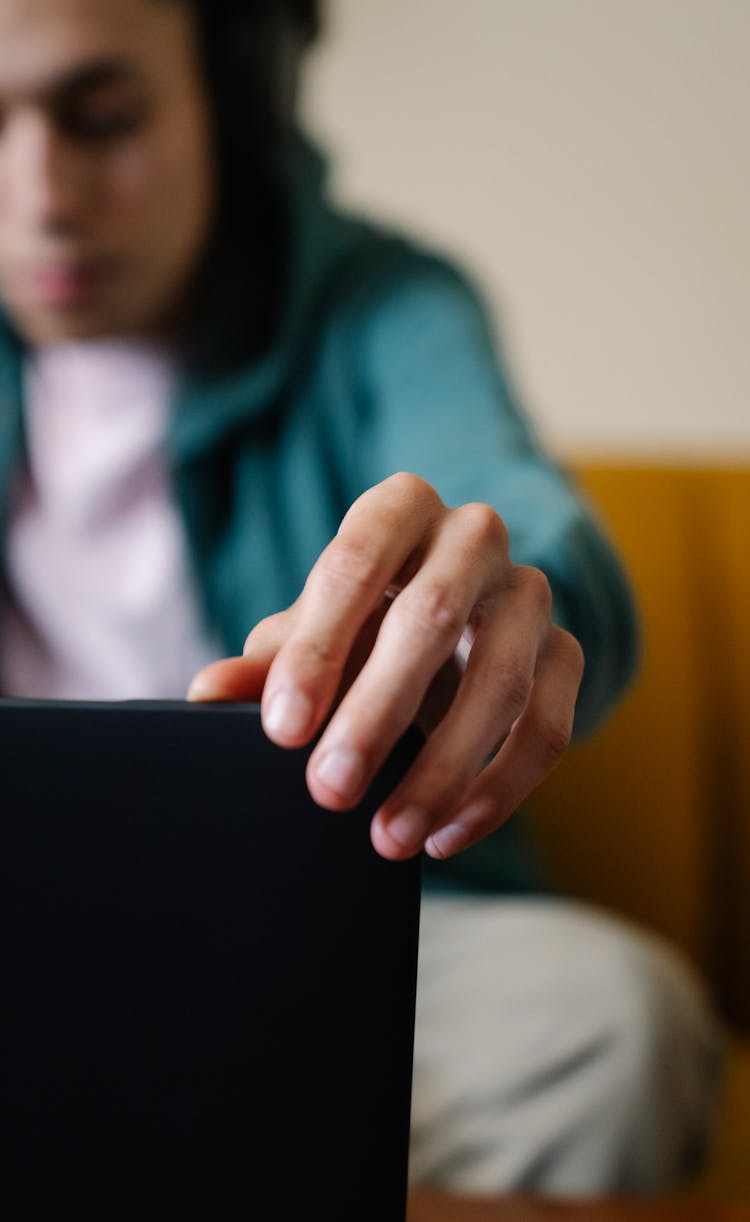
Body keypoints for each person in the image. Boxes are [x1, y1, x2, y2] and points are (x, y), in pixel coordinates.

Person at [0, 0, 723, 1197]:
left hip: (347, 936)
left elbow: (531, 521)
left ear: (234, 99)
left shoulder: (386, 306)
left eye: (106, 116)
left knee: (610, 1028)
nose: (40, 198)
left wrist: (488, 612)